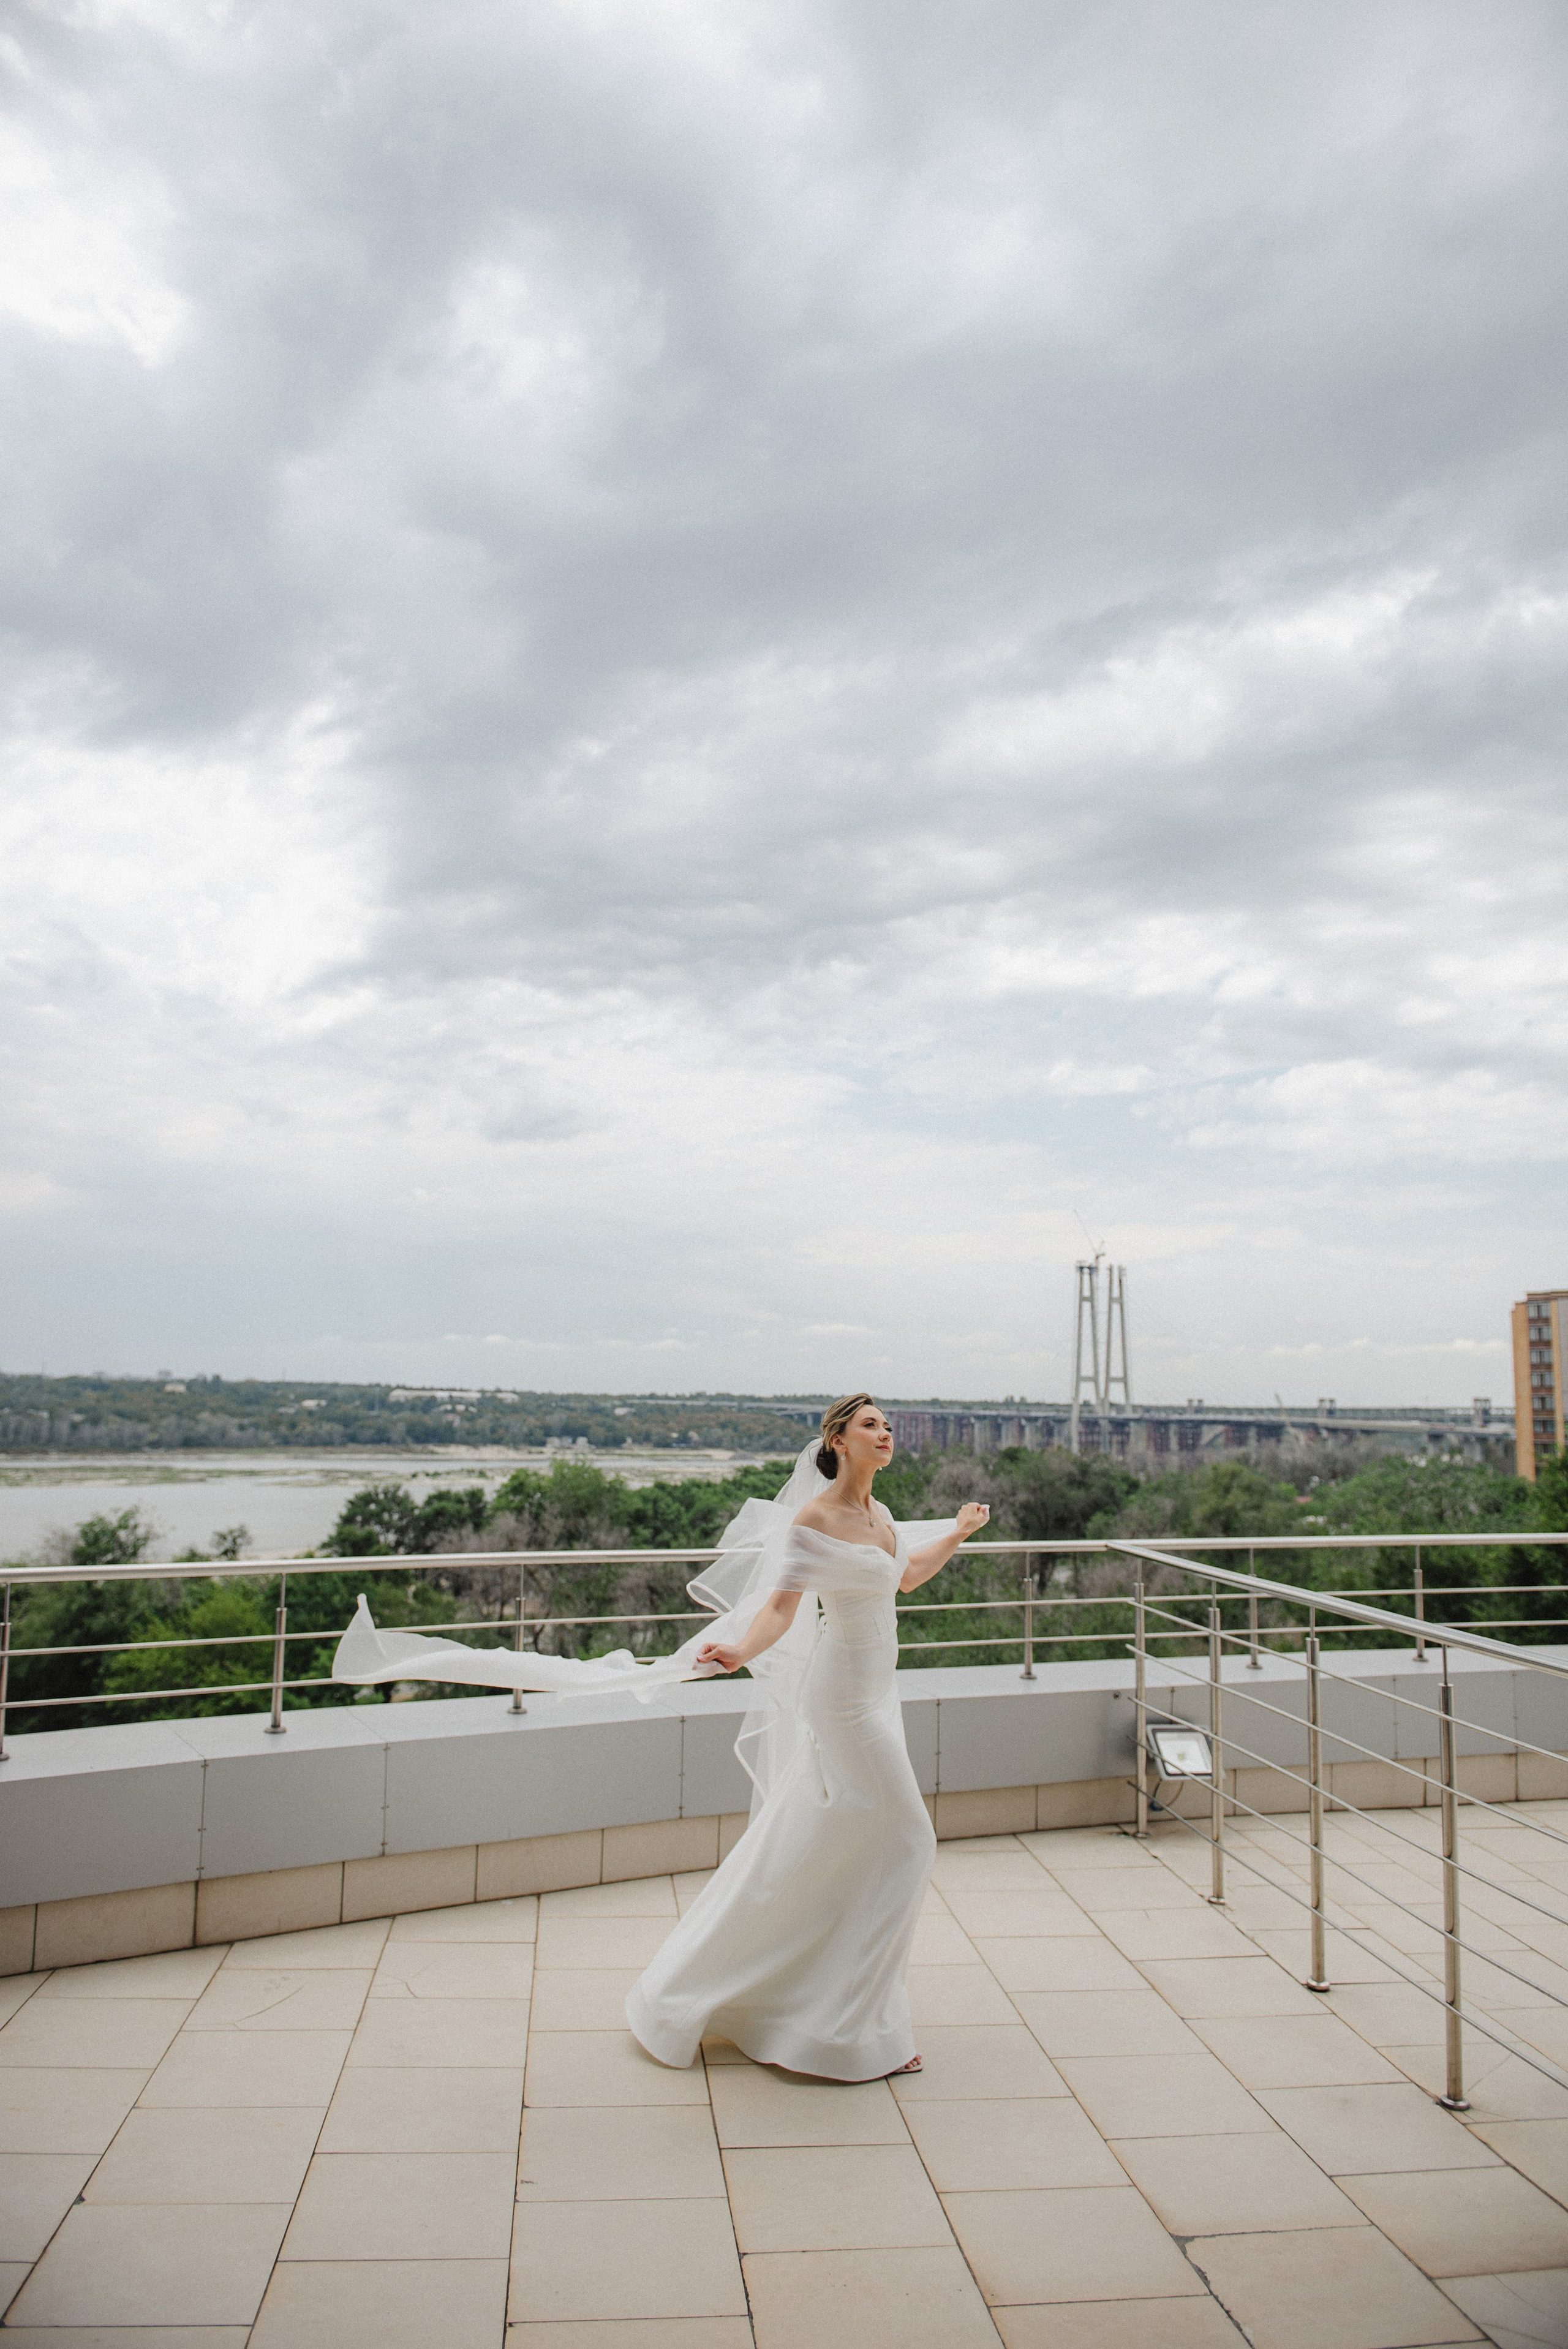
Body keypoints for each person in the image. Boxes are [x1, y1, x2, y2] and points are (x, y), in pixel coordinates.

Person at [625, 1393, 989, 2081]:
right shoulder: (813, 1519)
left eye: (886, 1424)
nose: (884, 1433)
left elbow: (905, 1577)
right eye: (869, 1425)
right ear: (838, 1441)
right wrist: (737, 1650)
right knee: (911, 1840)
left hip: (882, 1690)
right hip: (843, 1695)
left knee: (846, 1842)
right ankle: (850, 2024)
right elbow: (780, 1609)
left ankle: (837, 2011)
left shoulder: (881, 1516)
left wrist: (959, 1533)